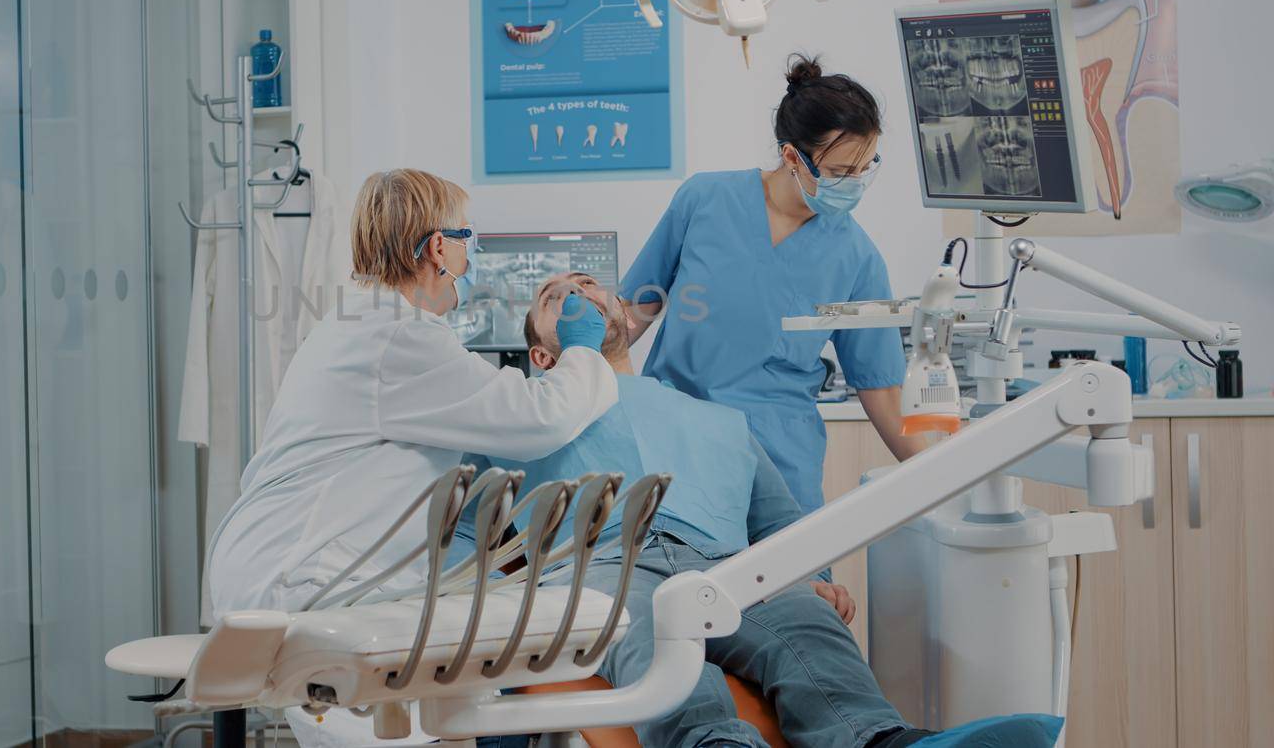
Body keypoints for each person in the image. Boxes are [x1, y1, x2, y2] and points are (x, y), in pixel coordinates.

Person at [467, 272, 1061, 748]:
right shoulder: (523, 414)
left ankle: (882, 740)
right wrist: (515, 597)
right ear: (542, 357)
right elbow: (467, 522)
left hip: (727, 566)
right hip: (605, 567)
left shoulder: (717, 420)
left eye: (589, 286)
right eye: (555, 297)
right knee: (656, 645)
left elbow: (777, 520)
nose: (577, 296)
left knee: (808, 627)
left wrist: (812, 579)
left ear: (624, 313)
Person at [204, 169, 619, 746]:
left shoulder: (361, 325)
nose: (471, 259)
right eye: (467, 239)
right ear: (437, 248)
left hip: (284, 565)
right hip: (307, 581)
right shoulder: (401, 337)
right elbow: (539, 417)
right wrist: (580, 349)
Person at [619, 55, 925, 512]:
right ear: (791, 156)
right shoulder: (705, 199)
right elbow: (636, 310)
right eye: (842, 172)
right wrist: (571, 384)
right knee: (677, 574)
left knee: (798, 582)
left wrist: (939, 476)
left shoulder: (858, 258)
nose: (856, 184)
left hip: (782, 460)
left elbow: (879, 387)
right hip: (679, 445)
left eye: (866, 168)